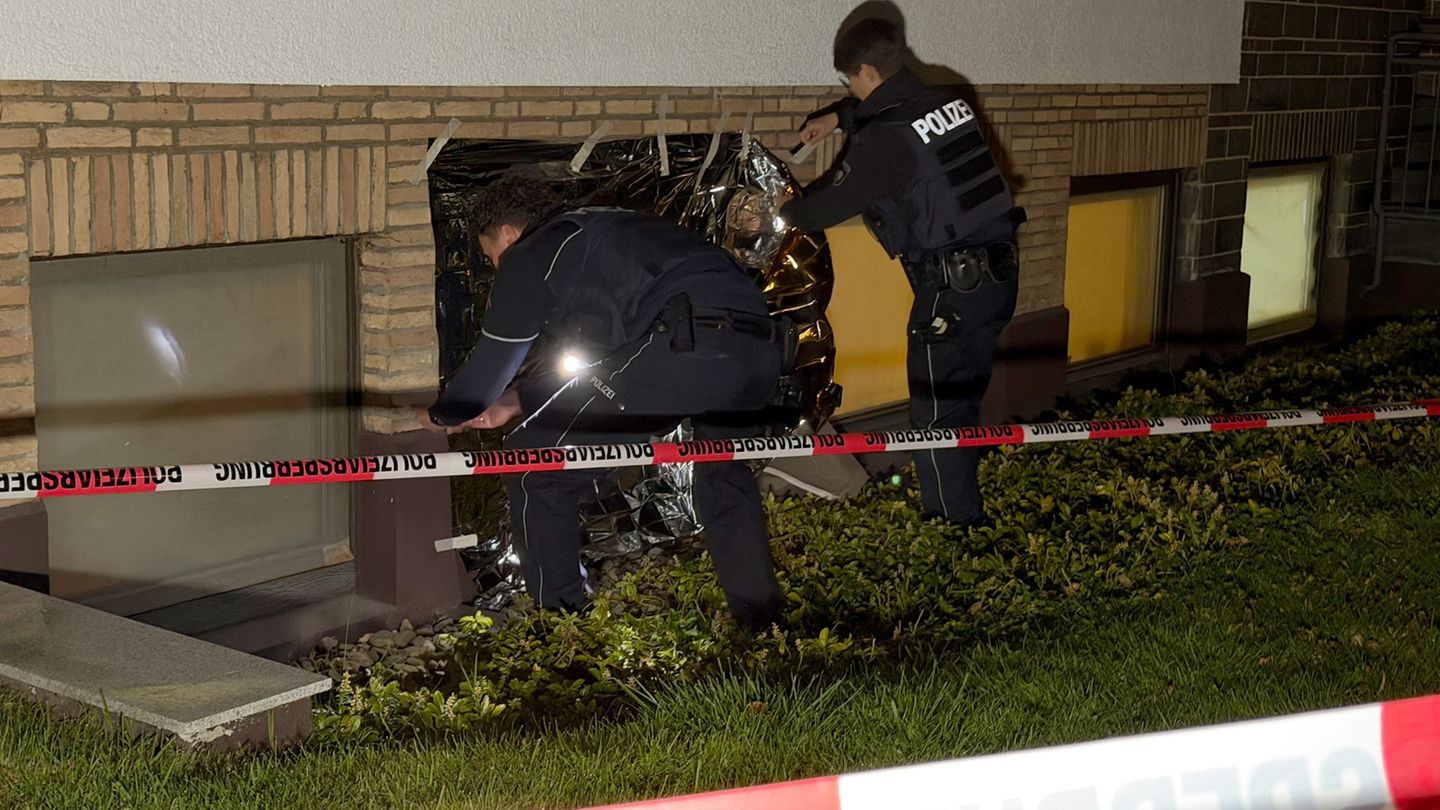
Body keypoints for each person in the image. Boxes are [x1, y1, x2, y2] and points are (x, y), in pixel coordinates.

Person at [418, 174, 787, 632]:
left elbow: (498, 351)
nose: (497, 268)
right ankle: (764, 628)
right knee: (724, 478)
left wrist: (447, 414)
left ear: (508, 235)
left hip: (681, 346)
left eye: (491, 256)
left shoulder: (531, 253)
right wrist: (516, 400)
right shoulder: (610, 234)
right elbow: (603, 362)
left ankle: (564, 627)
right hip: (758, 350)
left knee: (535, 464)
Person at [779, 17, 1024, 529]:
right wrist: (839, 117)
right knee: (960, 407)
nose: (851, 89)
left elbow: (828, 206)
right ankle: (960, 502)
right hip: (996, 276)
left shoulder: (887, 142)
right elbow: (896, 109)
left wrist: (770, 214)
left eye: (850, 81)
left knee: (937, 417)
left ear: (865, 70)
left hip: (952, 292)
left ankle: (955, 528)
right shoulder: (943, 101)